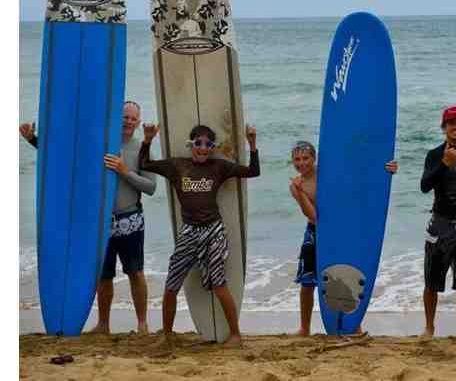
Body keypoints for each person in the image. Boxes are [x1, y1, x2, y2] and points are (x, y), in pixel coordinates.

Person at [19, 101, 157, 335]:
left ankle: (142, 324)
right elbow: (65, 160)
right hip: (100, 222)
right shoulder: (100, 144)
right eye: (124, 117)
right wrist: (34, 140)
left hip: (130, 220)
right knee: (104, 276)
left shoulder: (142, 149)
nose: (128, 122)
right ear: (116, 117)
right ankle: (103, 325)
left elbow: (151, 187)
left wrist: (124, 171)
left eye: (133, 118)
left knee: (135, 272)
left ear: (139, 121)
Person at [140, 122, 259, 348]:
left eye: (208, 144)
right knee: (171, 284)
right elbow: (144, 164)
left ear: (212, 147)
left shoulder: (218, 167)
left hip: (213, 231)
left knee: (218, 283)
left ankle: (235, 334)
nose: (203, 148)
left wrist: (252, 145)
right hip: (189, 232)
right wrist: (147, 140)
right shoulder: (177, 166)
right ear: (191, 144)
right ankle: (167, 335)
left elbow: (253, 172)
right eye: (198, 143)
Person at [288, 140, 398, 336]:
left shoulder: (329, 172)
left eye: (306, 158)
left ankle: (353, 323)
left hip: (341, 232)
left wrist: (386, 169)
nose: (301, 163)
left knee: (345, 275)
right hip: (315, 232)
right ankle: (304, 327)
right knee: (307, 282)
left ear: (314, 159)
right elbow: (313, 216)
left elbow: (358, 171)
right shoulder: (296, 185)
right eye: (297, 159)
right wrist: (300, 193)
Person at [420, 106, 456, 338]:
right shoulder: (434, 154)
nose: (455, 126)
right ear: (444, 127)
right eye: (450, 123)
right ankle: (429, 328)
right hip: (440, 223)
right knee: (432, 281)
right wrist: (444, 163)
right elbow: (424, 186)